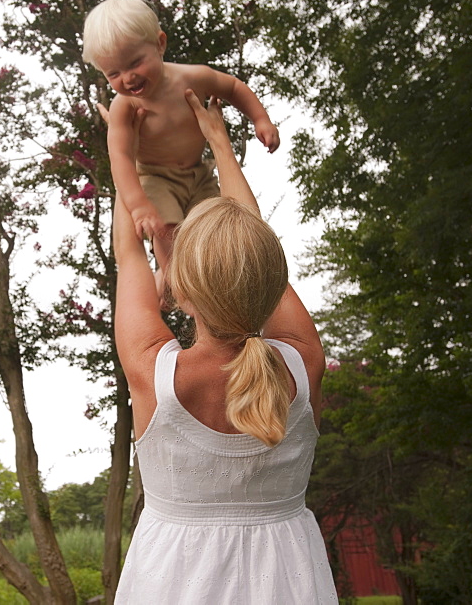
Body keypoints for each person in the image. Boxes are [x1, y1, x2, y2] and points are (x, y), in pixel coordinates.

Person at [111, 90, 338, 603]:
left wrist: (123, 151)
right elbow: (252, 249)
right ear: (269, 278)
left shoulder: (154, 374)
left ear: (176, 288)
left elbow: (129, 255)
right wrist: (220, 142)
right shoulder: (304, 362)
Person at [83, 0, 280, 280]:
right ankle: (171, 275)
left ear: (160, 44)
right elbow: (121, 158)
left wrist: (261, 119)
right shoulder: (124, 106)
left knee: (215, 224)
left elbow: (234, 87)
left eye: (135, 63)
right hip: (155, 177)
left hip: (198, 174)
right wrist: (138, 205)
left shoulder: (193, 77)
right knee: (165, 229)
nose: (127, 78)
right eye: (114, 73)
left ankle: (206, 279)